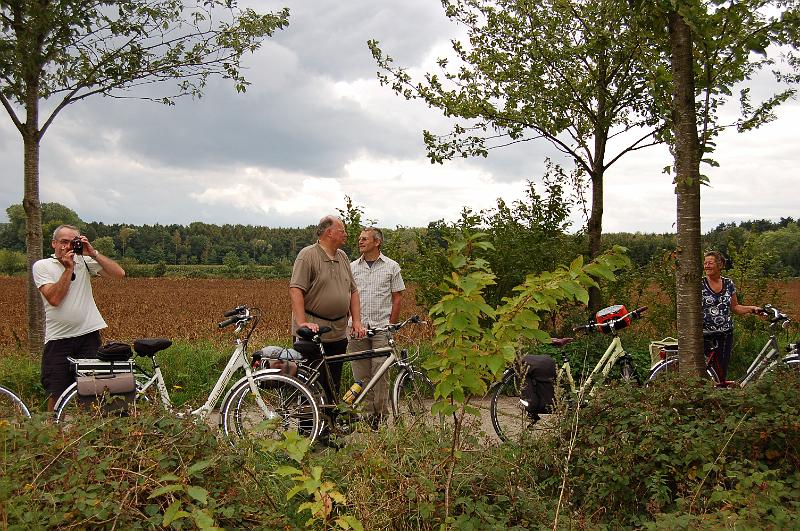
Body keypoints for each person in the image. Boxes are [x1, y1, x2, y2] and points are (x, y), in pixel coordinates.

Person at [33, 224, 126, 411]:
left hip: (88, 336)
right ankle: (54, 433)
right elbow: (54, 298)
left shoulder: (83, 261)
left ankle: (88, 432)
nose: (67, 246)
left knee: (92, 391)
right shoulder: (42, 266)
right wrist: (68, 269)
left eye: (72, 242)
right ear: (54, 243)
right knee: (56, 392)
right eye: (63, 242)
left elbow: (119, 274)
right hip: (58, 339)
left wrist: (92, 253)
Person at [289, 215, 366, 403]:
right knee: (311, 384)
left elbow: (353, 291)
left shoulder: (342, 257)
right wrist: (302, 323)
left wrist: (356, 321)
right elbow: (296, 289)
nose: (346, 234)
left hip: (338, 333)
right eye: (342, 230)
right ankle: (309, 428)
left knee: (333, 383)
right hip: (313, 332)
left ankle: (329, 428)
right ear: (329, 233)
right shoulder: (307, 255)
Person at [347, 227, 405, 428]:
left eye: (364, 239)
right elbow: (347, 296)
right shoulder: (352, 267)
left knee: (380, 374)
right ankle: (366, 417)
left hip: (381, 328)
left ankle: (379, 419)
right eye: (359, 239)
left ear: (377, 242)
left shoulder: (391, 267)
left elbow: (397, 298)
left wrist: (391, 326)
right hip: (356, 329)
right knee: (361, 376)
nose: (360, 242)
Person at [702, 250, 761, 384]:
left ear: (720, 264)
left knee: (722, 370)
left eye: (710, 263)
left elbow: (735, 307)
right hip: (706, 335)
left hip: (725, 334)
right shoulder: (699, 284)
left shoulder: (729, 284)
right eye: (705, 263)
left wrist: (752, 309)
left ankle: (720, 396)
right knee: (706, 371)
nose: (707, 266)